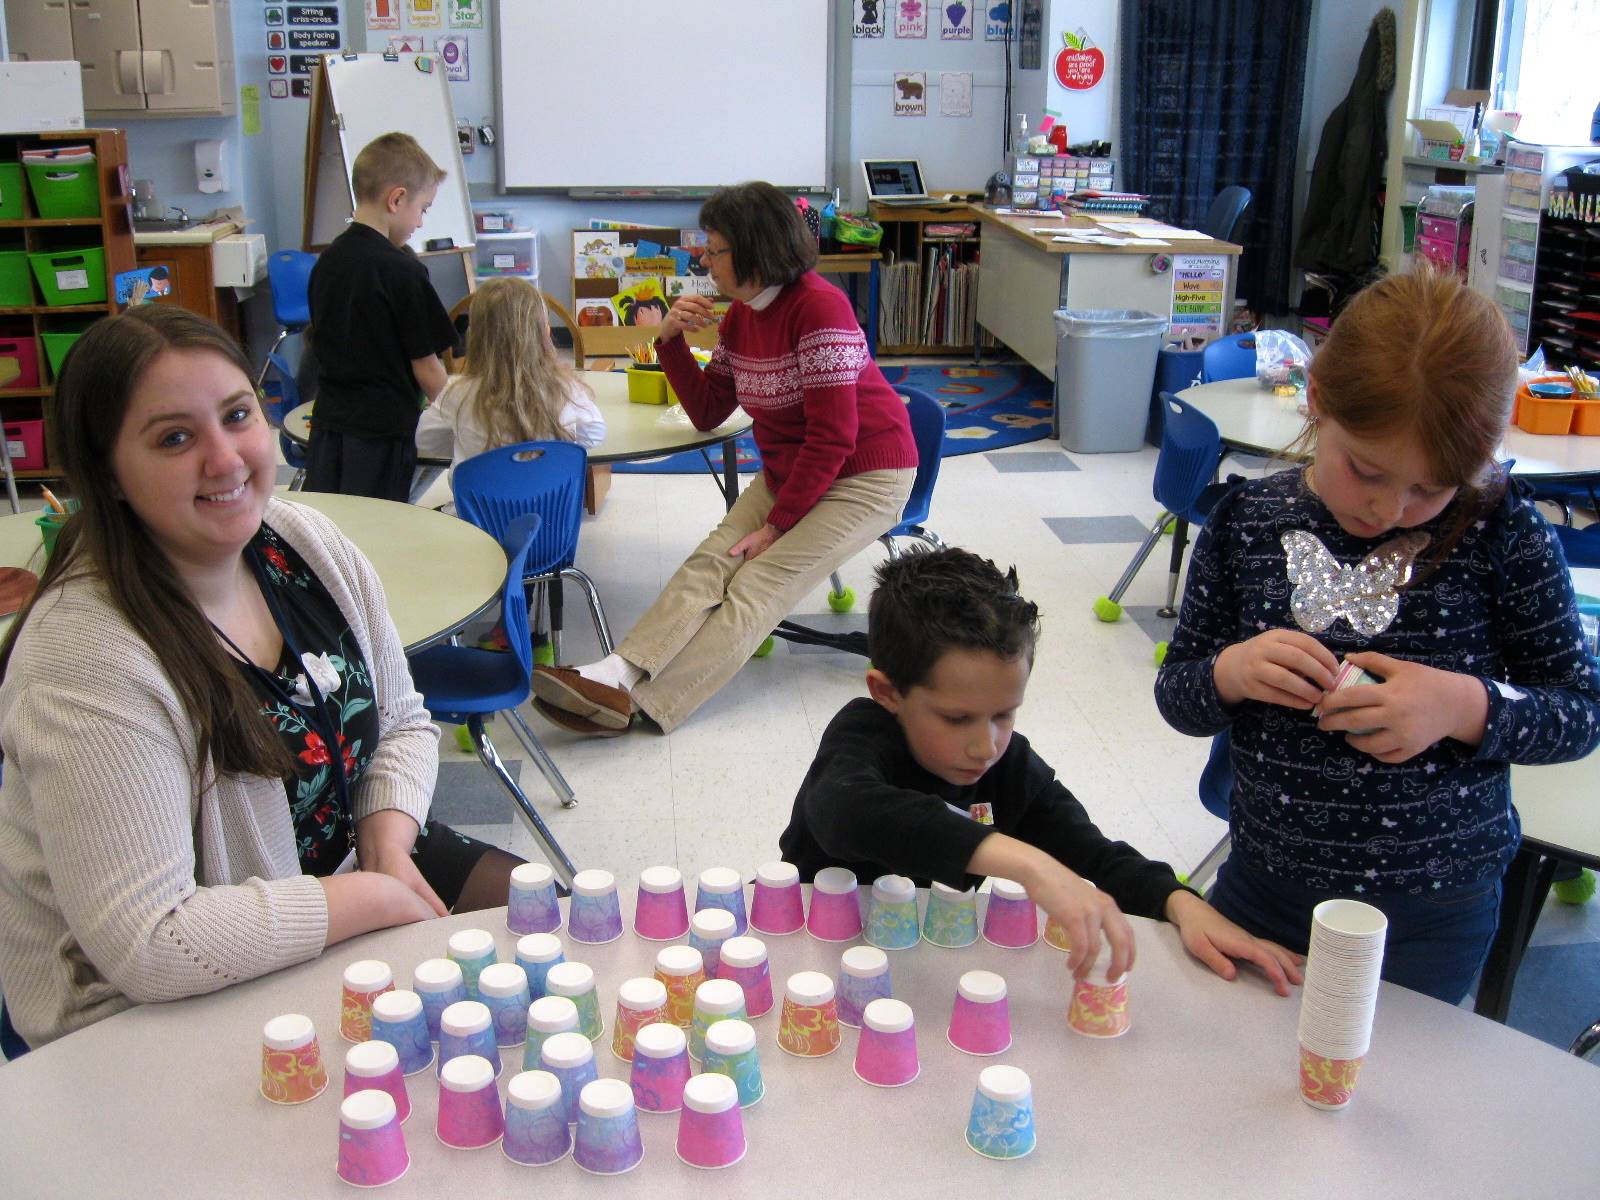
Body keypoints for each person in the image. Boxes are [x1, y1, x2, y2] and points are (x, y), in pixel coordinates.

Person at [0, 307, 522, 1048]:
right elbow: (151, 941)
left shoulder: (303, 543)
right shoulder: (84, 656)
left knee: (553, 930)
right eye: (175, 438)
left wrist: (387, 838)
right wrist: (368, 897)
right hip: (140, 1005)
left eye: (237, 415)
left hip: (343, 869)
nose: (226, 458)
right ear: (108, 473)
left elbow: (403, 718)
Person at [1154, 269, 1600, 1005]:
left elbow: (1580, 712)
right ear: (1318, 398)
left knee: (1388, 1090)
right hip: (1266, 887)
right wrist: (1230, 673)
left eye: (1431, 489)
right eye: (1365, 469)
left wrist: (1464, 706)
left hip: (1433, 911)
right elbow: (1179, 696)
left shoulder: (1504, 532)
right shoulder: (1247, 522)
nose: (1390, 507)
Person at [780, 547, 1302, 989]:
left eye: (1003, 714)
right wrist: (1028, 863)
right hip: (809, 955)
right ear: (888, 693)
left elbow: (1095, 855)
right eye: (957, 718)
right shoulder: (861, 734)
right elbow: (844, 810)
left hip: (926, 968)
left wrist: (1180, 904)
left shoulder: (1009, 767)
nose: (984, 747)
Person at [532, 180, 918, 736]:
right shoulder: (740, 315)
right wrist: (669, 339)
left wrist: (778, 525)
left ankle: (646, 705)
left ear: (754, 249)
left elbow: (834, 437)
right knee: (711, 561)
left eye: (715, 250)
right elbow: (711, 410)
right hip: (796, 468)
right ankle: (616, 674)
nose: (704, 261)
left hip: (865, 474)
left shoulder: (820, 307)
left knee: (757, 584)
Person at [303, 131, 456, 502]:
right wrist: (465, 421)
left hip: (328, 429)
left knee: (335, 527)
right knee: (378, 531)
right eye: (423, 209)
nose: (420, 223)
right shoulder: (401, 271)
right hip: (381, 436)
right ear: (397, 199)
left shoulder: (327, 261)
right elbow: (428, 370)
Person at [415, 276, 607, 473]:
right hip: (550, 503)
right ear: (544, 334)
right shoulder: (565, 387)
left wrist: (466, 440)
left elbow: (425, 440)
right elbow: (595, 434)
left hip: (479, 503)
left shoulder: (455, 392)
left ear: (475, 337)